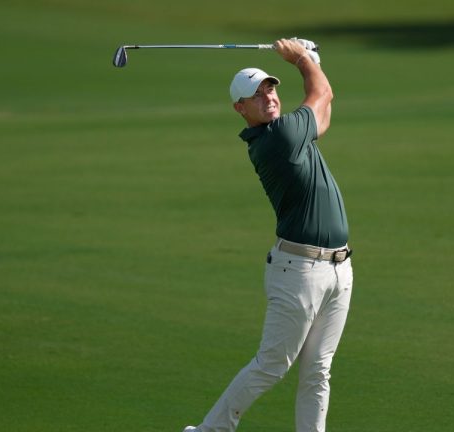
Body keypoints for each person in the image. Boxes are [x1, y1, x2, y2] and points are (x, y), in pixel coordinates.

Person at [184, 37, 353, 432]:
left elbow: (322, 113)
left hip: (338, 268)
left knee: (318, 371)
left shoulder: (289, 132)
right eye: (256, 96)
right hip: (300, 271)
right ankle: (210, 430)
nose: (269, 97)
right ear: (240, 109)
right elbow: (322, 92)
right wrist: (301, 58)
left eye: (270, 88)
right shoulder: (278, 139)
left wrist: (313, 60)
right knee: (272, 365)